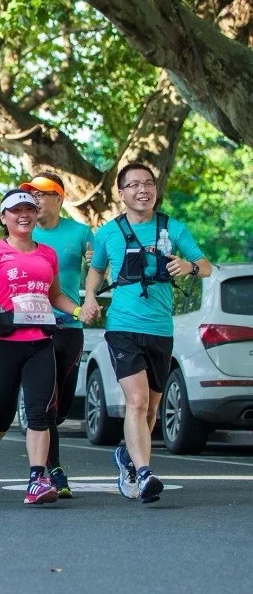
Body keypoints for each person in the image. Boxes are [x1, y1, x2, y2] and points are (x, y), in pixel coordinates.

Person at [81, 162, 209, 504]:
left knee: (151, 409)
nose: (143, 189)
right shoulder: (108, 233)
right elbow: (95, 272)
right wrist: (91, 297)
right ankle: (145, 472)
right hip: (122, 326)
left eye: (149, 183)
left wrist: (188, 266)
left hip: (160, 328)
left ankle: (127, 457)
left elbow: (206, 266)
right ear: (121, 194)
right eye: (134, 184)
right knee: (136, 402)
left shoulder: (173, 228)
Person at [0, 189, 86, 506]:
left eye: (30, 209)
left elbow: (56, 295)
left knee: (39, 415)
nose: (24, 215)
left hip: (41, 342)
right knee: (2, 417)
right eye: (16, 210)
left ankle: (36, 479)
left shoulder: (47, 253)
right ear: (4, 217)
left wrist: (77, 311)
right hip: (4, 343)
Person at [19, 172, 93, 498]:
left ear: (59, 198)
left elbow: (100, 271)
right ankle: (55, 471)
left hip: (69, 328)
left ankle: (50, 457)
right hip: (34, 328)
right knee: (45, 404)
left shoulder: (80, 233)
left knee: (60, 410)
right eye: (30, 193)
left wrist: (95, 262)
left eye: (42, 193)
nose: (34, 198)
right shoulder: (21, 233)